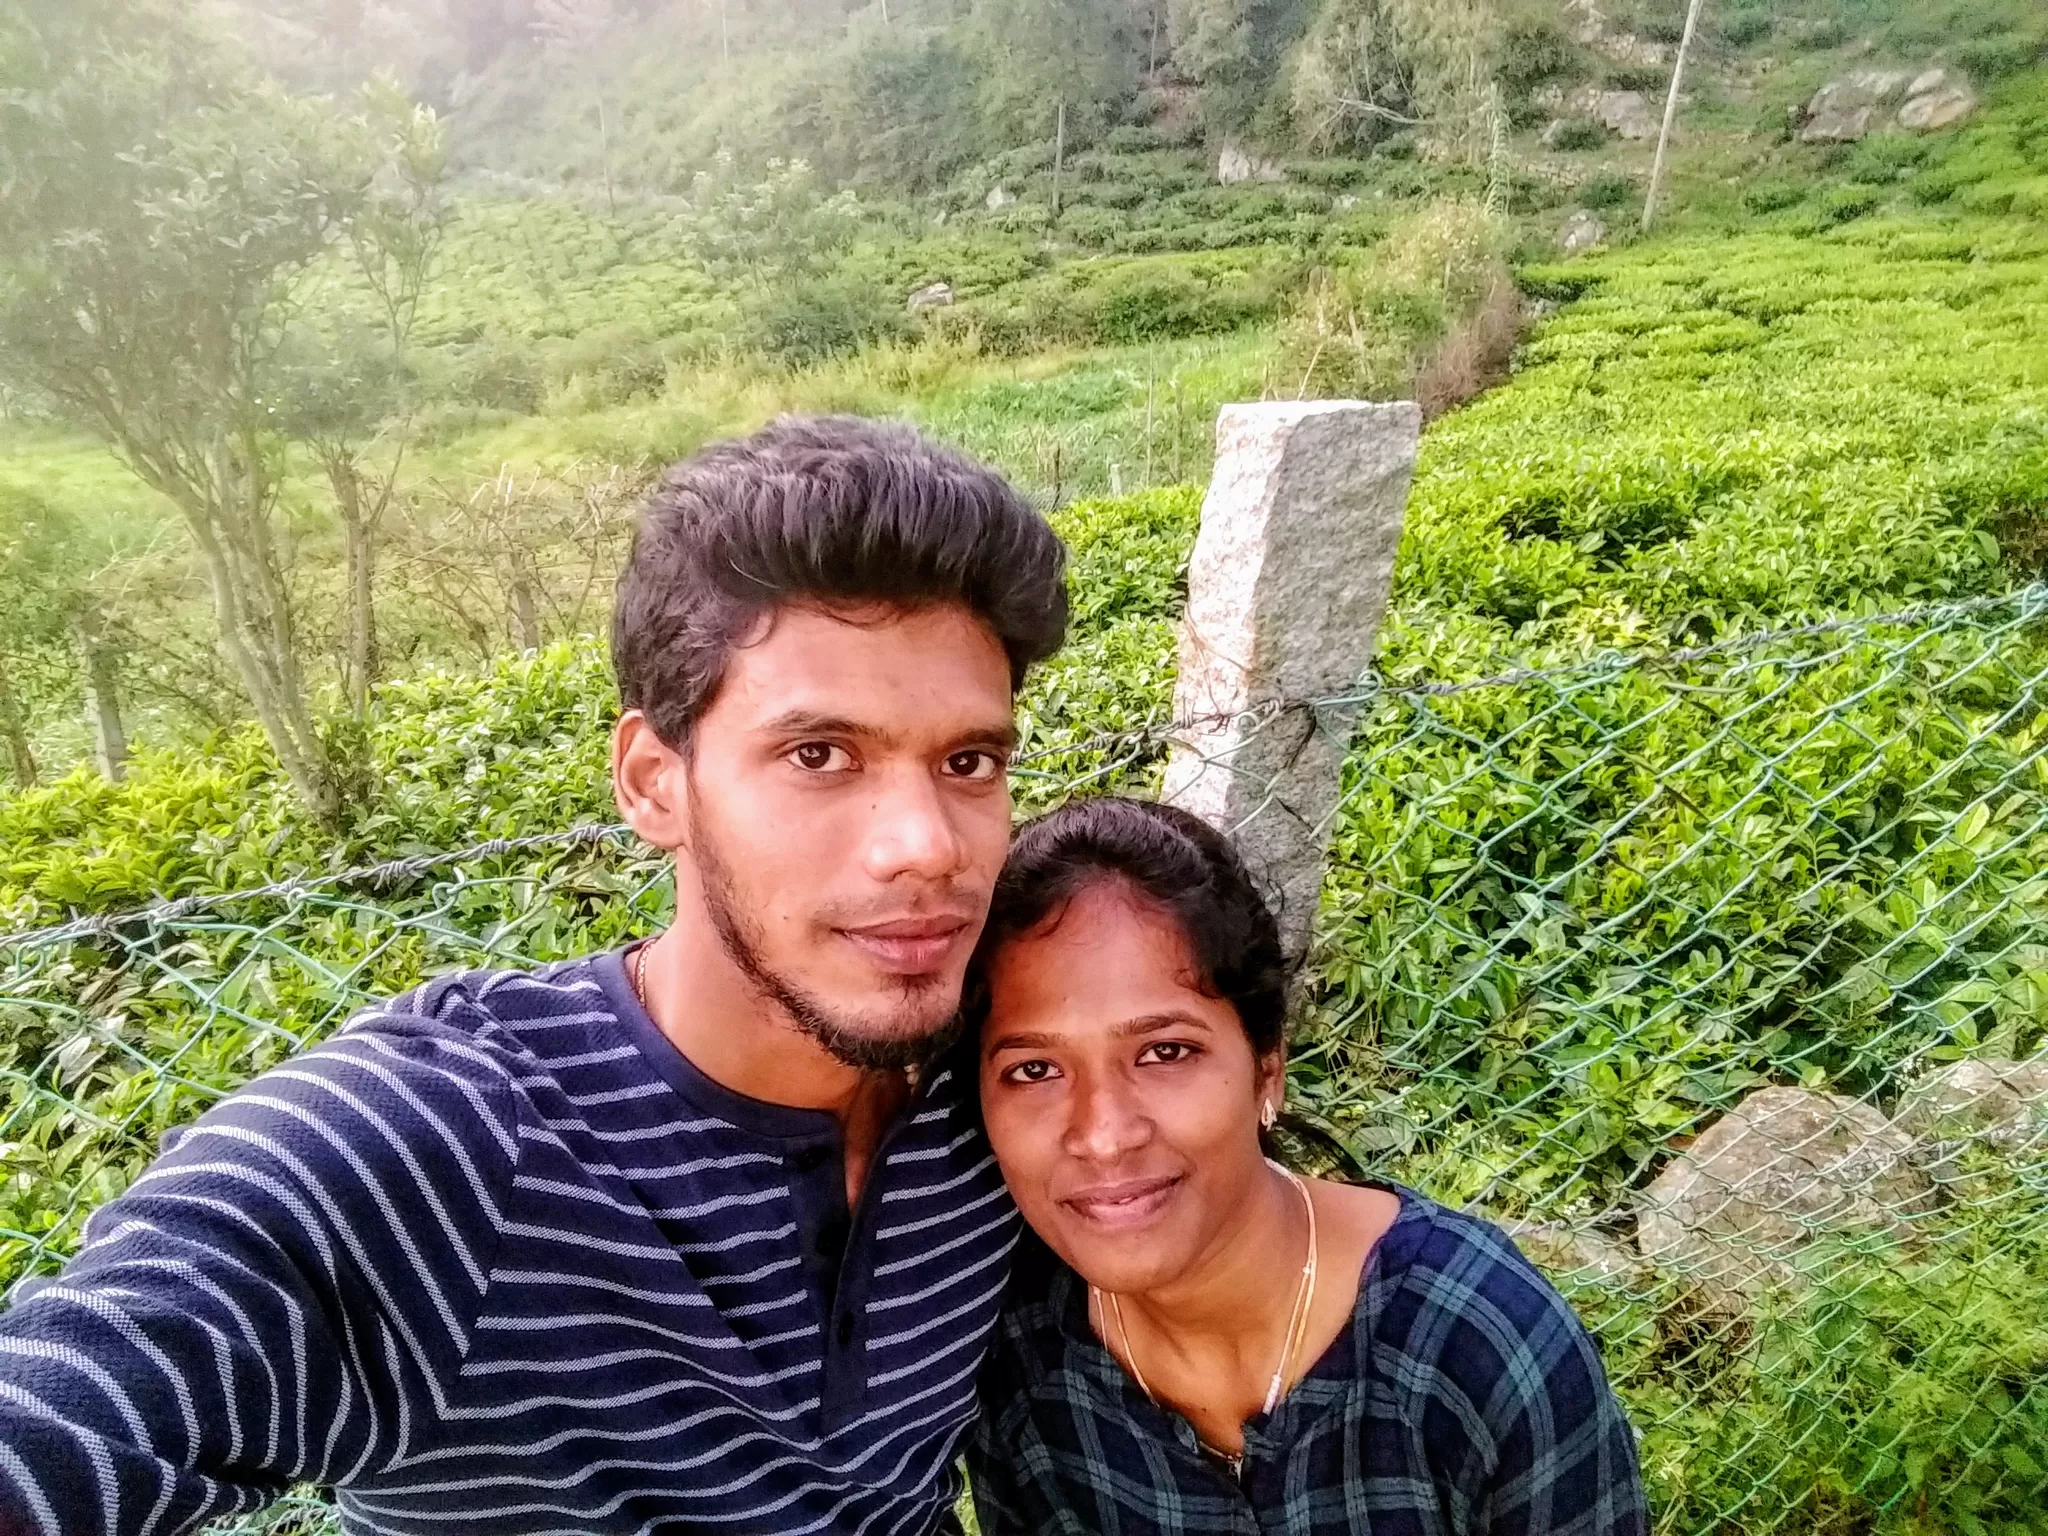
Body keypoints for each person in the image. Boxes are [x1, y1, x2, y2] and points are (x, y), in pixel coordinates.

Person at [0, 416, 1067, 1535]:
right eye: (818, 755)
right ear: (655, 782)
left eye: (968, 762)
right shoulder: (453, 1141)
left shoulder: (1012, 1082)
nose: (927, 845)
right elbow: (83, 1398)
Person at [964, 796, 1649, 1536]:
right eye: (1034, 1069)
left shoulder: (1475, 1342)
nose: (1102, 1136)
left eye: (1165, 1052)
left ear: (1268, 1067)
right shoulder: (1014, 1341)